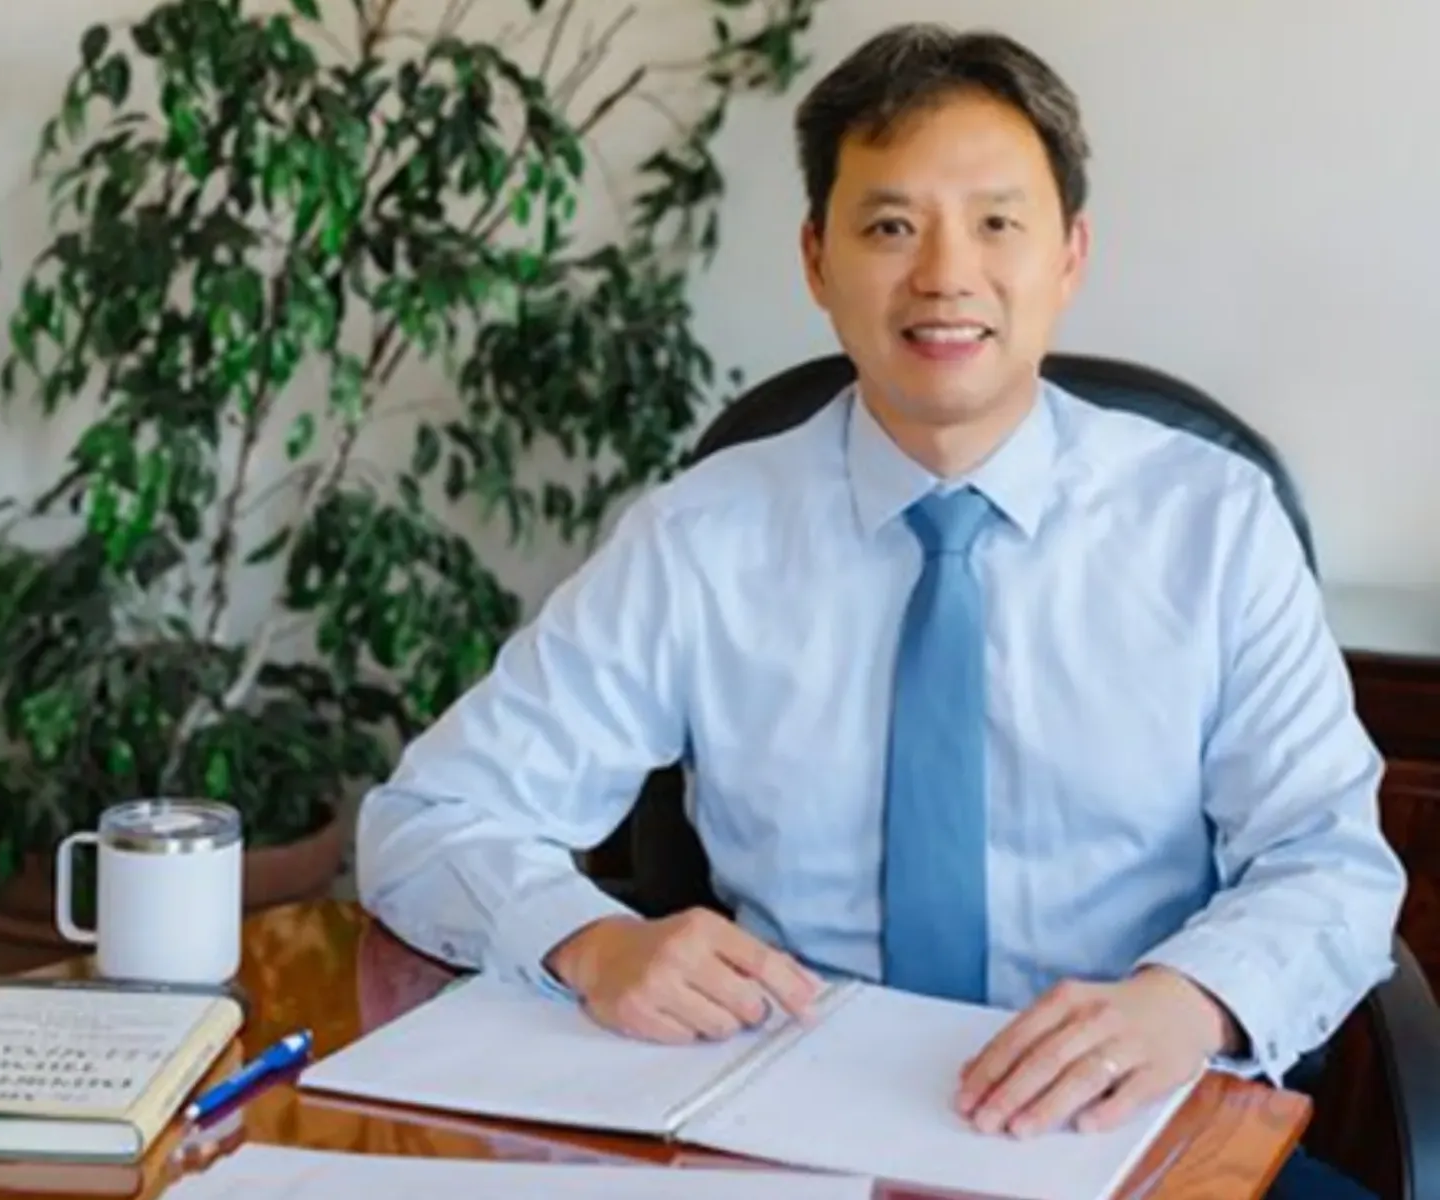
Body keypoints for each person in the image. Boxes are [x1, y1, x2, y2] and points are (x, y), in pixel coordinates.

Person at [356, 22, 1404, 1200]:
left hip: (1130, 1125)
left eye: (998, 222)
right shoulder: (704, 536)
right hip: (784, 1127)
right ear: (816, 259)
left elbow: (1328, 863)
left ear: (1070, 254)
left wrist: (1189, 1002)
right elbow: (428, 818)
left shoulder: (1212, 526)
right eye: (890, 225)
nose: (945, 275)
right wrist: (590, 941)